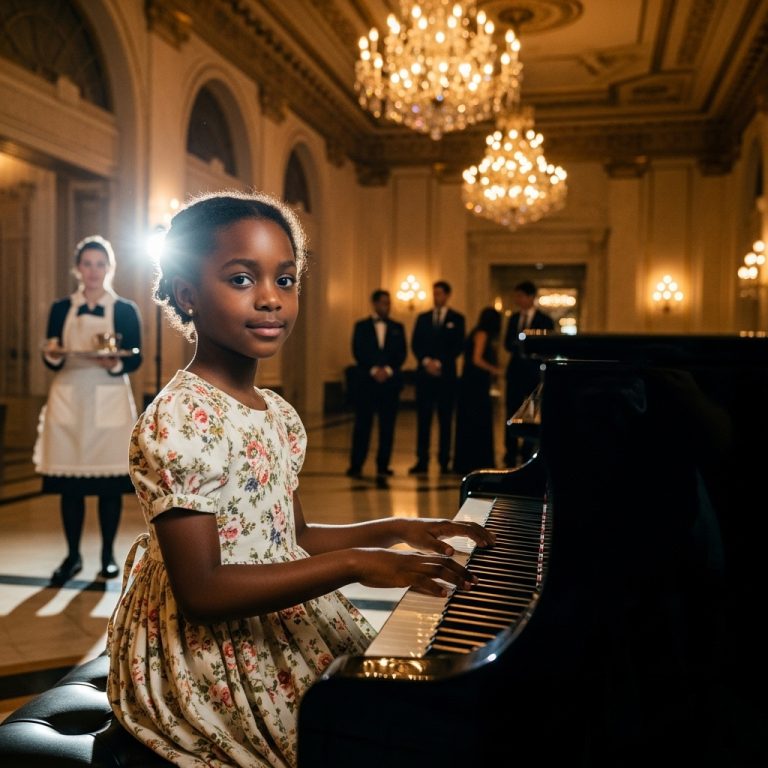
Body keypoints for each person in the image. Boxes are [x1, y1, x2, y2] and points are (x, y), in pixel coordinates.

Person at [106, 190, 494, 768]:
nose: (270, 299)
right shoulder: (178, 419)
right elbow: (204, 591)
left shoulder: (277, 413)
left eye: (285, 280)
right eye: (241, 279)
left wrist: (395, 527)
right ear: (187, 294)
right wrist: (358, 564)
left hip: (277, 608)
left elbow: (293, 536)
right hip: (205, 652)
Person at [33, 235, 142, 585]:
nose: (93, 271)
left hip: (109, 395)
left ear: (109, 268)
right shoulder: (60, 308)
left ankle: (108, 555)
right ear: (78, 269)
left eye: (100, 264)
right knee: (70, 486)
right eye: (87, 264)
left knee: (109, 486)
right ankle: (72, 555)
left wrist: (113, 363)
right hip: (68, 395)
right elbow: (52, 352)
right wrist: (51, 356)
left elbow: (134, 357)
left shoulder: (124, 309)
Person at [346, 289, 407, 480]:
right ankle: (356, 464)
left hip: (390, 384)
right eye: (383, 303)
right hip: (367, 382)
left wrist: (387, 370)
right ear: (374, 303)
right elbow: (358, 350)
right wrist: (373, 369)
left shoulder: (398, 327)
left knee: (387, 426)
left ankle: (383, 465)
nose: (386, 306)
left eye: (388, 303)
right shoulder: (361, 326)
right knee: (362, 425)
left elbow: (402, 353)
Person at [409, 280, 465, 474]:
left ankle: (444, 461)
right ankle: (421, 460)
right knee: (423, 421)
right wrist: (426, 362)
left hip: (446, 377)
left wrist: (439, 363)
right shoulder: (423, 318)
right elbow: (415, 343)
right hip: (425, 377)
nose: (436, 297)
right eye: (434, 293)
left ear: (447, 295)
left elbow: (458, 346)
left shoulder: (457, 319)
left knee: (445, 421)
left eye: (439, 293)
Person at [503, 280, 554, 467]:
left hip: (533, 373)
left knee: (532, 413)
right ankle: (510, 451)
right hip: (515, 371)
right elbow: (507, 343)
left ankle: (527, 451)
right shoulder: (513, 319)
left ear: (531, 297)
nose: (518, 300)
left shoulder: (545, 320)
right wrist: (518, 342)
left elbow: (547, 345)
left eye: (521, 296)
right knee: (511, 410)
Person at [453, 306, 503, 476]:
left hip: (471, 383)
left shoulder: (477, 331)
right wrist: (495, 370)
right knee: (478, 420)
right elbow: (477, 359)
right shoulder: (482, 334)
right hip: (475, 384)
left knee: (470, 421)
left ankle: (467, 460)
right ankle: (477, 459)